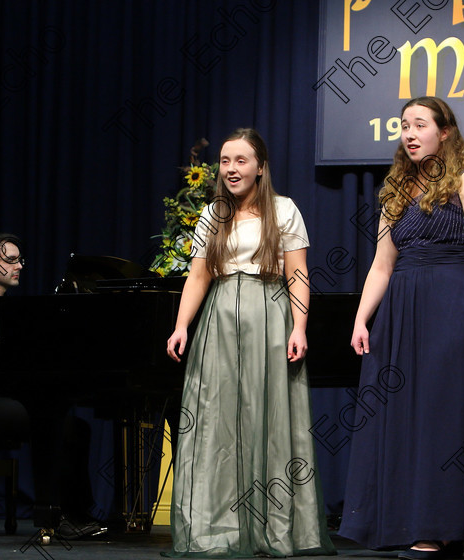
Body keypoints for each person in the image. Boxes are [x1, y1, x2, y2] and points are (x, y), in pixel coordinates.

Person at [339, 98, 464, 559]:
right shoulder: (397, 193)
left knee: (442, 417)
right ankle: (415, 522)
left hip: (452, 306)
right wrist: (361, 317)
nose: (409, 134)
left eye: (420, 125)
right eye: (404, 126)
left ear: (446, 133)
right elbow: (380, 266)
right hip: (400, 313)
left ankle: (440, 529)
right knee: (405, 418)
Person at [165, 128, 336, 557]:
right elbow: (199, 275)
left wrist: (299, 327)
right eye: (225, 161)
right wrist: (182, 325)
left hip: (268, 316)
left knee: (271, 420)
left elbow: (297, 274)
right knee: (216, 422)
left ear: (260, 167)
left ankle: (271, 527)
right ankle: (218, 528)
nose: (231, 169)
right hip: (219, 322)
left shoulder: (284, 210)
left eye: (241, 161)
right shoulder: (213, 214)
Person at [0, 233, 101, 539]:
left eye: (20, 260)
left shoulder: (9, 307)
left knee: (77, 428)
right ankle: (53, 515)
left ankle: (78, 512)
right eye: (11, 260)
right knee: (51, 425)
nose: (19, 266)